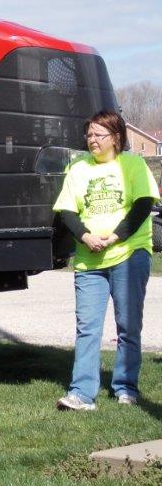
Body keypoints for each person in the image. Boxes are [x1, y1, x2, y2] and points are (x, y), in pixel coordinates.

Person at [53, 110, 160, 411]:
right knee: (87, 327)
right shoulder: (78, 169)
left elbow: (143, 204)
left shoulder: (133, 164)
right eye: (89, 134)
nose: (92, 140)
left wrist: (115, 236)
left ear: (116, 137)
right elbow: (67, 210)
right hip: (89, 262)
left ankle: (125, 388)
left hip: (129, 255)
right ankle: (82, 394)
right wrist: (85, 236)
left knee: (128, 325)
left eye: (98, 135)